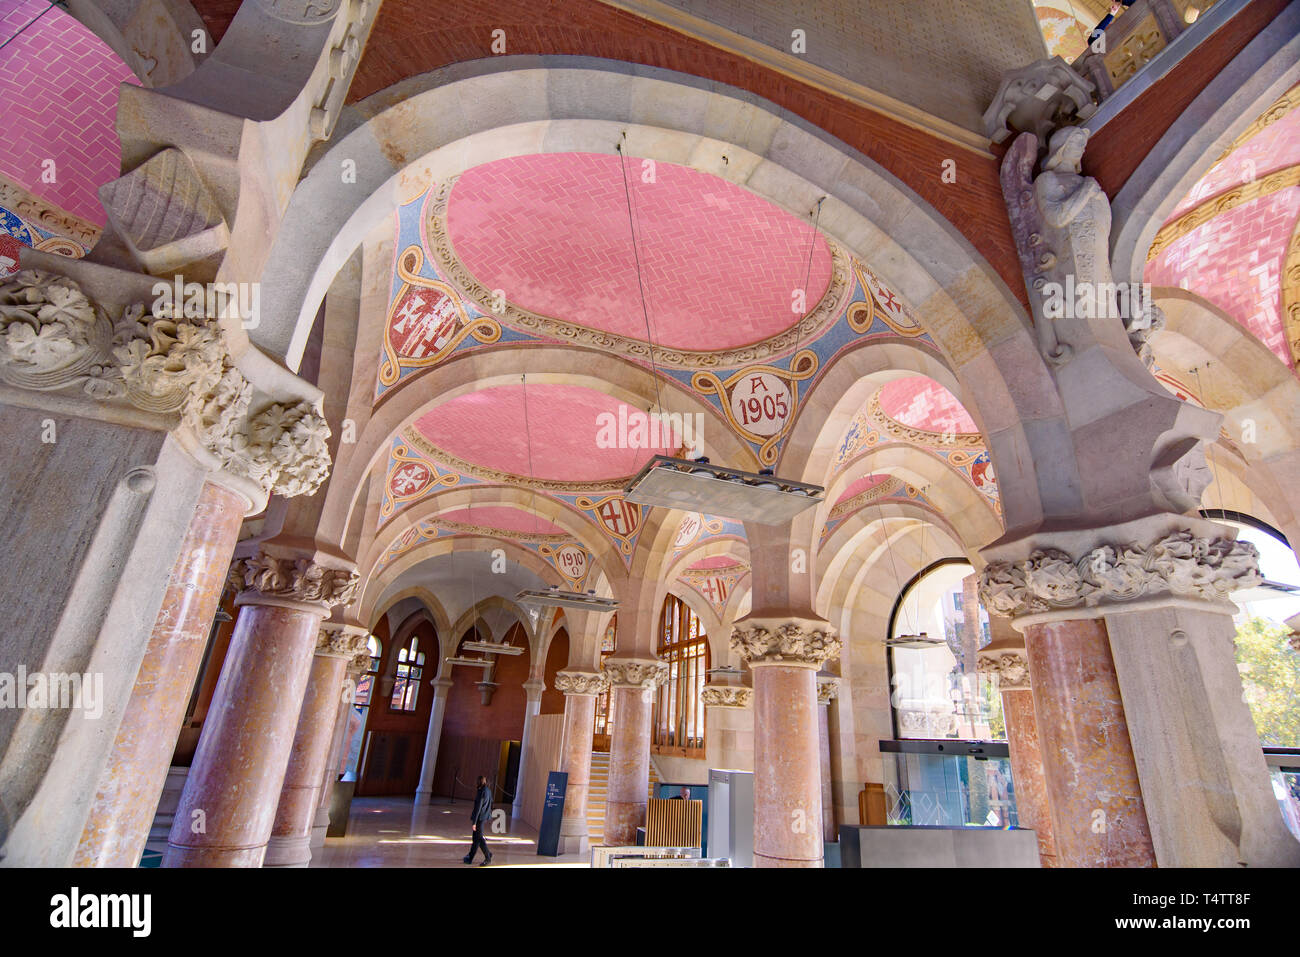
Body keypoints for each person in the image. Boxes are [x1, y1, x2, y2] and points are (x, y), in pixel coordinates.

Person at [463, 775, 494, 866]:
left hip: (479, 818)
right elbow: (491, 802)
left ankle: (488, 857)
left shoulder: (481, 792)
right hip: (484, 817)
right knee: (475, 838)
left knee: (479, 839)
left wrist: (474, 822)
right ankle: (470, 857)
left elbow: (478, 808)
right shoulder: (488, 790)